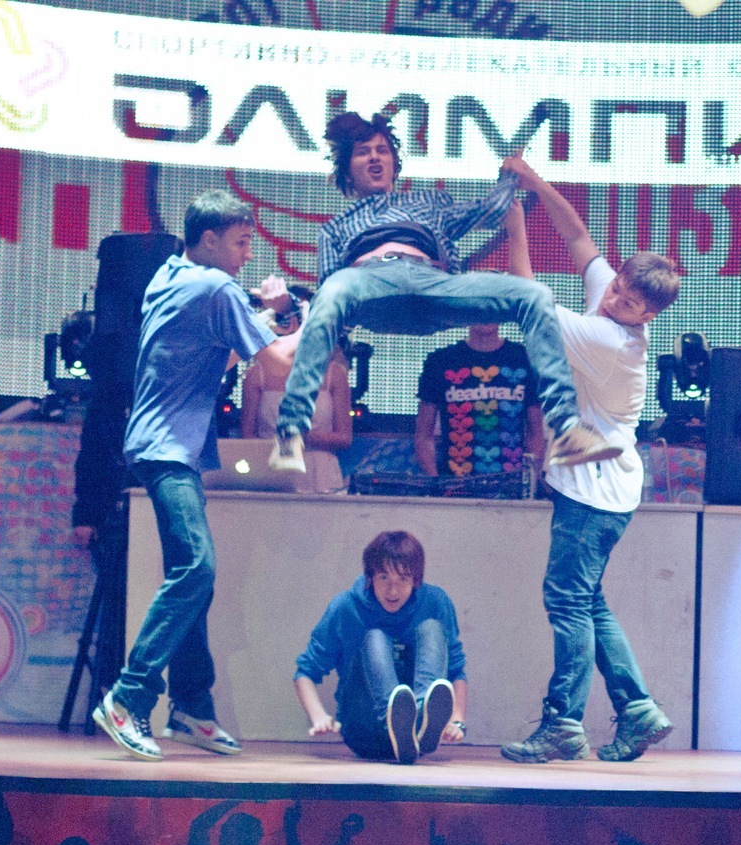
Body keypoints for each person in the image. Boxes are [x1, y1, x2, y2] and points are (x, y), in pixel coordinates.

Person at [269, 111, 623, 475]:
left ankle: (566, 429)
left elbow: (492, 210)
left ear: (393, 163)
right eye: (363, 152)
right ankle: (291, 429)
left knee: (535, 296)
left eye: (382, 150)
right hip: (370, 283)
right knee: (332, 291)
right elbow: (328, 306)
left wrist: (508, 175)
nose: (375, 157)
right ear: (347, 169)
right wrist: (288, 309)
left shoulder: (429, 202)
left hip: (433, 282)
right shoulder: (334, 228)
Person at [92, 189, 299, 761]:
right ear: (209, 240)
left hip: (161, 447)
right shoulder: (215, 288)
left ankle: (191, 707)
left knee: (192, 580)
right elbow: (278, 364)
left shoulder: (170, 275)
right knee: (197, 568)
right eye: (241, 242)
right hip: (167, 452)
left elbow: (221, 351)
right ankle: (128, 699)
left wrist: (270, 318)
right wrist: (318, 316)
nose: (248, 254)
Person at [496, 155, 681, 764]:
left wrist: (515, 219)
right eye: (618, 286)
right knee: (587, 600)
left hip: (593, 488)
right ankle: (638, 710)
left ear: (647, 316)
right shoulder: (610, 301)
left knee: (567, 601)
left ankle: (563, 723)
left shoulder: (612, 342)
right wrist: (534, 180)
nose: (613, 299)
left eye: (627, 301)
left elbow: (527, 298)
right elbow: (577, 235)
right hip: (602, 482)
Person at [294, 530, 467, 764]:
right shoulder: (346, 607)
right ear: (370, 577)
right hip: (365, 731)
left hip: (416, 740)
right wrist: (318, 716)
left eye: (403, 579)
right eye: (384, 578)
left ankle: (419, 717)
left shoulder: (435, 602)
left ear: (416, 580)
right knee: (375, 637)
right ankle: (395, 720)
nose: (393, 590)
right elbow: (305, 671)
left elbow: (456, 669)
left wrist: (457, 719)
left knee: (432, 629)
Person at [241, 299, 352, 493]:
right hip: (271, 468)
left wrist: (300, 437)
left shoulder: (334, 374)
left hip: (319, 472)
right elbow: (247, 437)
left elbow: (344, 437)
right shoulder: (256, 375)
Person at [414, 323, 545, 478]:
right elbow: (423, 435)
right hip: (454, 485)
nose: (486, 318)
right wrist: (436, 483)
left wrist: (529, 482)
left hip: (511, 487)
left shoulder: (525, 359)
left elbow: (536, 434)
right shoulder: (440, 361)